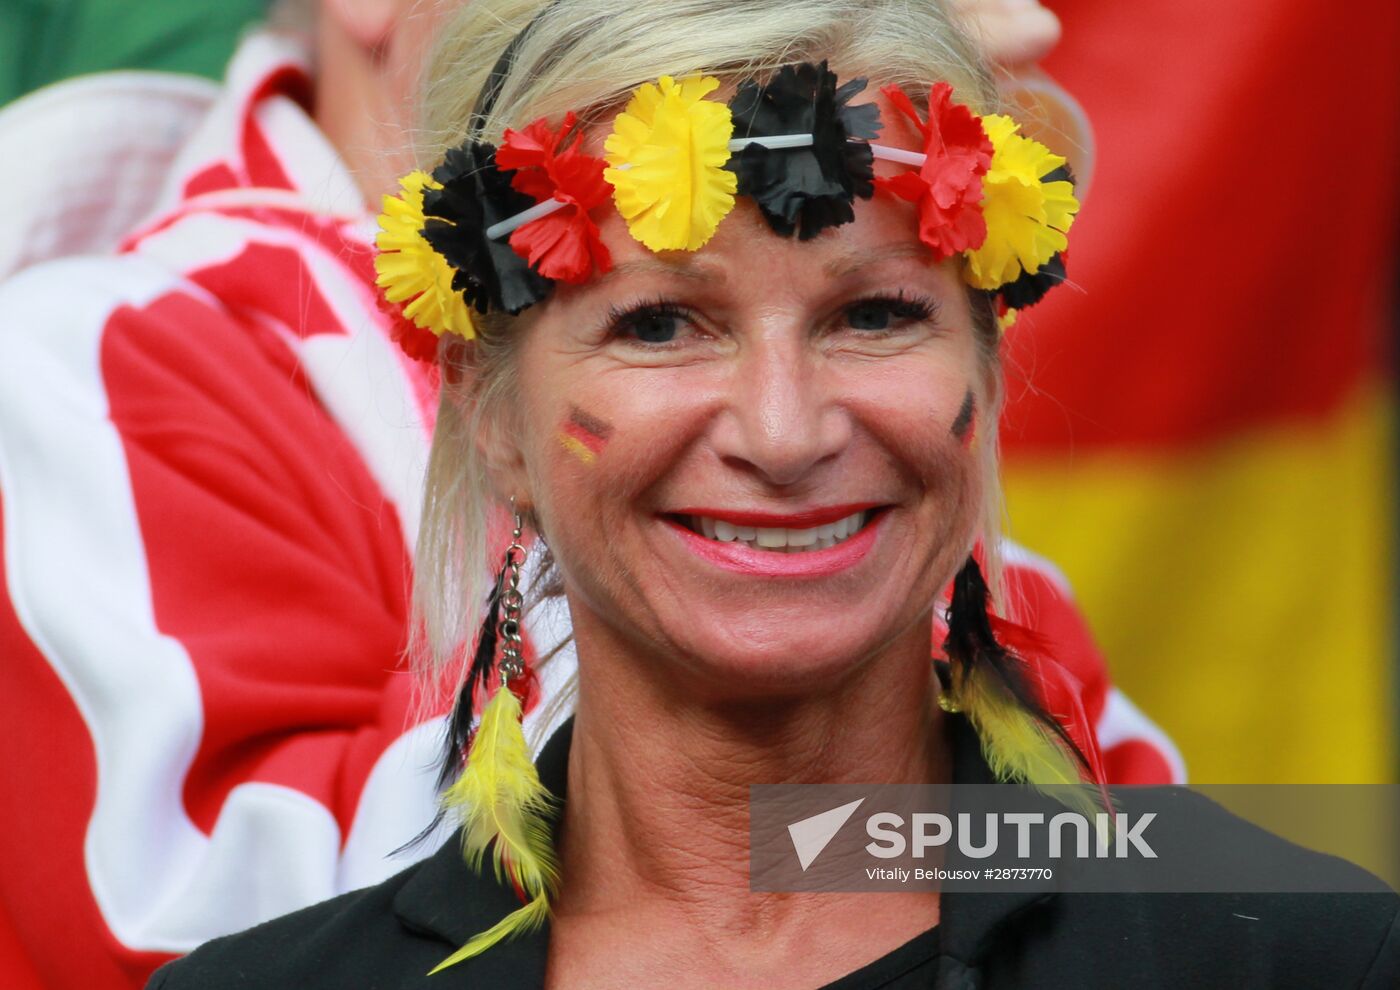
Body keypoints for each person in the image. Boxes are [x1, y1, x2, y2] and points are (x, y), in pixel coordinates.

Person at [142, 1, 1398, 987]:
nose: (785, 431)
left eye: (873, 314)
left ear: (986, 370)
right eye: (658, 326)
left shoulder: (1307, 960)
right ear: (488, 412)